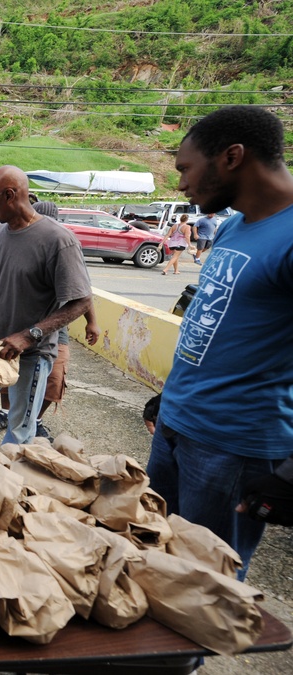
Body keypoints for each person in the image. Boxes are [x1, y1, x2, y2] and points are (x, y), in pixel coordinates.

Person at [146, 105, 293, 579]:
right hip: (176, 427)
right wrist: (167, 396)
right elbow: (214, 324)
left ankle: (181, 659)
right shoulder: (233, 226)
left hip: (232, 448)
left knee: (200, 584)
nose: (183, 185)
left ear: (232, 156)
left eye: (186, 169)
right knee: (151, 555)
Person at [0, 167, 92, 448]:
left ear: (10, 195)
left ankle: (6, 485)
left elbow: (81, 300)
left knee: (19, 428)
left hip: (32, 354)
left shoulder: (58, 241)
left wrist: (29, 336)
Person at [0, 201, 99, 441]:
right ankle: (7, 412)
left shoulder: (61, 243)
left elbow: (82, 296)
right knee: (6, 376)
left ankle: (35, 418)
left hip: (53, 329)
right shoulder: (10, 236)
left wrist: (92, 322)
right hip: (12, 326)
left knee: (53, 381)